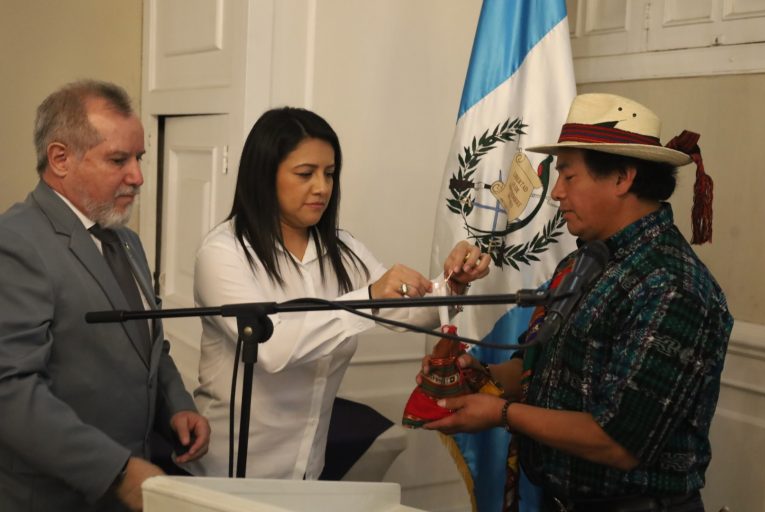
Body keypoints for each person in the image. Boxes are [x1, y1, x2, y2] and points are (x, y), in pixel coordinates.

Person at [422, 93, 733, 512]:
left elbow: (617, 442)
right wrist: (478, 375)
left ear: (622, 178)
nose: (555, 193)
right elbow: (538, 369)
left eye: (568, 176)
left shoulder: (671, 286)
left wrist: (500, 413)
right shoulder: (583, 261)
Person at [186, 107, 491, 479]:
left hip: (306, 469)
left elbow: (406, 313)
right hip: (230, 469)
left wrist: (453, 283)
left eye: (329, 173)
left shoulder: (343, 250)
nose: (322, 187)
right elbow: (271, 349)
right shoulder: (223, 254)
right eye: (305, 174)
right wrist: (367, 298)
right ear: (264, 176)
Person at [0, 80, 211, 512]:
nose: (138, 176)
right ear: (60, 159)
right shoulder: (15, 243)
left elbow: (148, 345)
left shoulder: (126, 241)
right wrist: (117, 472)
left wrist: (176, 405)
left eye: (139, 158)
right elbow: (11, 390)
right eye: (118, 160)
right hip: (54, 497)